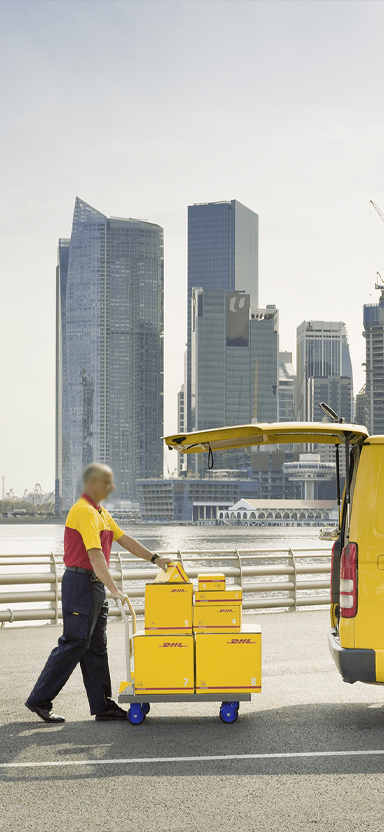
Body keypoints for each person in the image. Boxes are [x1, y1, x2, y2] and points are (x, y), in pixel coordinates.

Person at [25, 463, 170, 723]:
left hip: (94, 585)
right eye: (107, 483)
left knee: (95, 647)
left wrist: (155, 558)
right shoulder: (85, 511)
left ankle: (102, 705)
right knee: (75, 642)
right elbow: (94, 554)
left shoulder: (101, 512)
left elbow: (124, 540)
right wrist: (114, 589)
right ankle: (40, 700)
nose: (111, 488)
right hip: (80, 583)